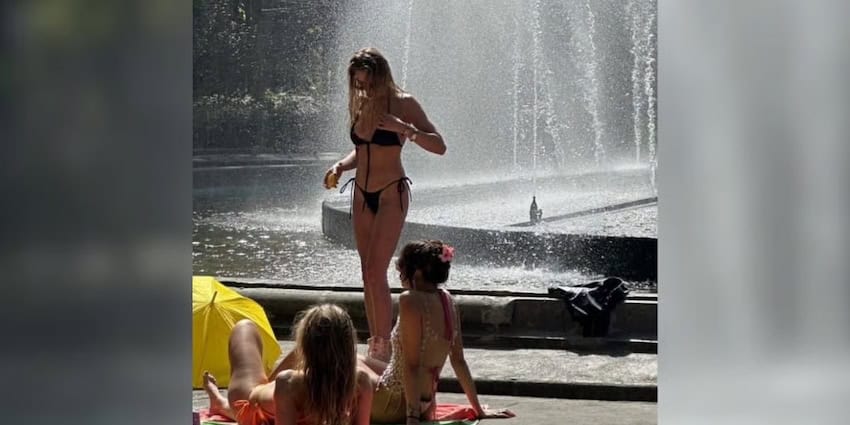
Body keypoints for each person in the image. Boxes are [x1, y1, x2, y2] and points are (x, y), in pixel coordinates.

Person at [324, 47, 447, 363]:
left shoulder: (404, 103)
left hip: (392, 192)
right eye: (358, 84)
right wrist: (340, 165)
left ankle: (383, 344)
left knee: (377, 270)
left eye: (366, 83)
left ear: (381, 76)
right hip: (362, 194)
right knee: (367, 272)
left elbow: (439, 146)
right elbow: (362, 150)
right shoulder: (364, 104)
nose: (362, 89)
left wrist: (405, 129)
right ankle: (377, 339)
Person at [358, 240, 515, 424]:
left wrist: (412, 418)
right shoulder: (448, 301)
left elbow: (412, 364)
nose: (400, 277)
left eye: (401, 272)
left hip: (394, 404)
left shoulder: (410, 300)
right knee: (358, 359)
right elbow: (459, 361)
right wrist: (478, 410)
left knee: (344, 364)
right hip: (426, 402)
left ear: (416, 272)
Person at [202, 304, 374, 425]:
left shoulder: (289, 384)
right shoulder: (361, 381)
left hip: (264, 400)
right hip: (252, 404)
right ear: (349, 343)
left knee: (244, 327)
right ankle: (221, 402)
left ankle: (220, 403)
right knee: (245, 329)